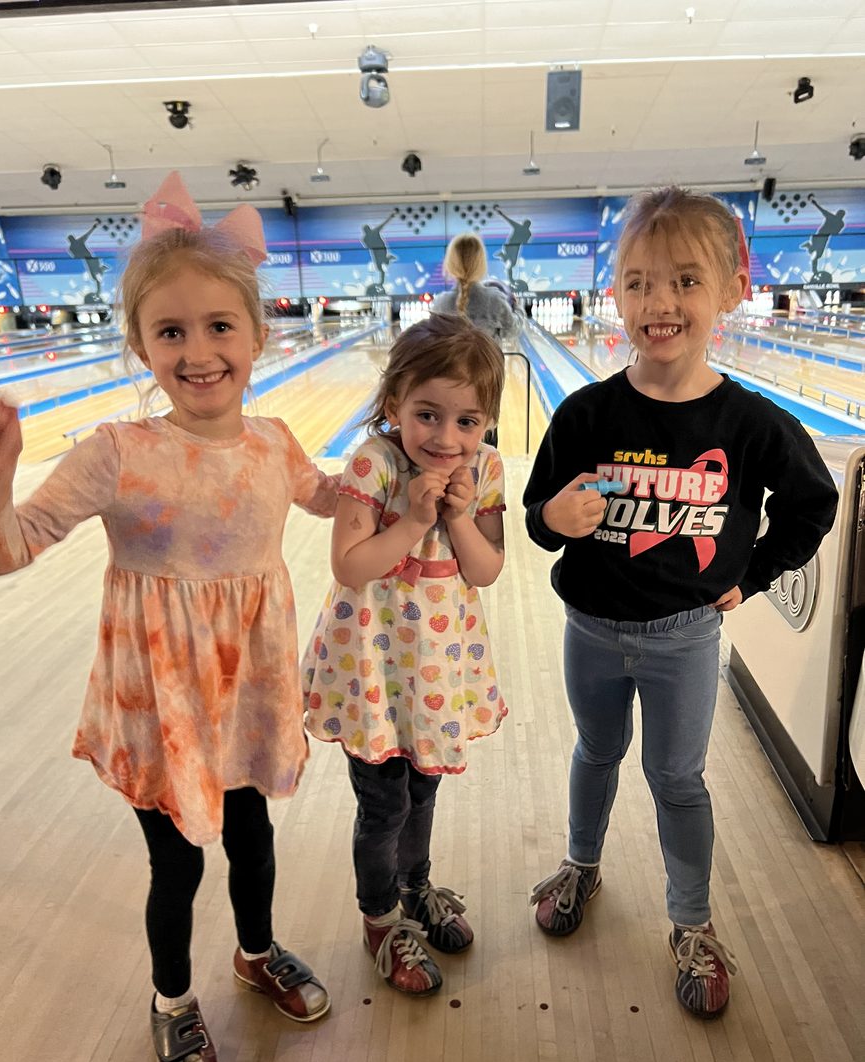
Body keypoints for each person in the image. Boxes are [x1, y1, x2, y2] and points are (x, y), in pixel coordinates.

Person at [0, 172, 338, 1062]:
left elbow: (337, 497)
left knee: (251, 840)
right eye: (171, 331)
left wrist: (413, 476)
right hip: (159, 693)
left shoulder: (278, 440)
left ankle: (256, 954)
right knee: (176, 862)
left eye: (220, 327)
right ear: (139, 343)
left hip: (249, 687)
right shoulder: (114, 454)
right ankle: (172, 1000)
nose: (199, 350)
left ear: (258, 336)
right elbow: (4, 555)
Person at [523, 186, 837, 1020]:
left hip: (686, 638)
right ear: (616, 294)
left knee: (677, 777)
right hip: (590, 629)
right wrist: (554, 516)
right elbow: (534, 519)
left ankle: (691, 923)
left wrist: (757, 574)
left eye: (685, 282)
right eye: (638, 283)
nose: (660, 303)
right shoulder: (586, 413)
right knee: (595, 752)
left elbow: (812, 504)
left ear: (731, 290)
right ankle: (582, 864)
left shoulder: (751, 423)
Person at [301, 312, 508, 996]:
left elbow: (484, 570)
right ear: (393, 405)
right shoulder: (373, 463)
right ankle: (381, 918)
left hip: (438, 668)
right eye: (427, 415)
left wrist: (453, 514)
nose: (446, 438)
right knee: (384, 804)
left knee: (424, 791)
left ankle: (416, 887)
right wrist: (415, 518)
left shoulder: (485, 471)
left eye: (467, 422)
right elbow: (352, 565)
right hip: (372, 667)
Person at [432, 233, 518, 446]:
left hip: (447, 395)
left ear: (450, 264)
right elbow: (513, 331)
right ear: (482, 264)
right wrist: (517, 308)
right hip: (486, 388)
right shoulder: (495, 299)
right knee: (486, 453)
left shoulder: (441, 304)